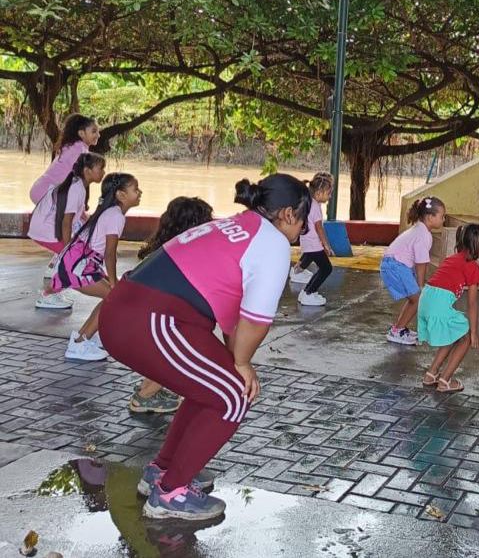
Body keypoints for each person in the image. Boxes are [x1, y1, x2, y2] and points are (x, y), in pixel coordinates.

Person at [98, 174, 310, 520]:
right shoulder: (272, 242)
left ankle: (163, 471)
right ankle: (171, 493)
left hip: (136, 312)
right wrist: (242, 364)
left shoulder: (240, 226)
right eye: (303, 220)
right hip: (152, 318)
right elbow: (255, 321)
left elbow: (231, 321)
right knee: (232, 394)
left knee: (214, 388)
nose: (303, 230)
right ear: (288, 214)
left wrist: (235, 362)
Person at [128, 196, 214, 415]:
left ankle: (149, 388)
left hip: (139, 319)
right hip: (151, 324)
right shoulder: (187, 255)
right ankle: (145, 396)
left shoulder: (161, 248)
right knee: (188, 345)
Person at [48, 173, 141, 361]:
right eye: (135, 189)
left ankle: (82, 339)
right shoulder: (116, 216)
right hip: (78, 267)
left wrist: (111, 281)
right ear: (121, 195)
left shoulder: (112, 213)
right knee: (114, 298)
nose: (140, 192)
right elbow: (109, 253)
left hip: (79, 263)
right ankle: (80, 343)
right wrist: (113, 282)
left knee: (111, 298)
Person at [28, 152, 106, 309]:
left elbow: (77, 216)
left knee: (76, 256)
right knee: (73, 261)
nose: (103, 172)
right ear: (87, 171)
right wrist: (67, 248)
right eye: (100, 168)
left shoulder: (78, 185)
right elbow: (66, 221)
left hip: (47, 227)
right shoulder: (76, 188)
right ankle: (47, 295)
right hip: (46, 230)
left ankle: (54, 276)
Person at [418, 223, 479, 393]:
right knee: (464, 338)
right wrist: (473, 332)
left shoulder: (452, 258)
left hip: (425, 299)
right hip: (437, 305)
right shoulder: (473, 268)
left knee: (451, 333)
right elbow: (472, 303)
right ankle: (445, 381)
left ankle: (431, 375)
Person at [380, 196, 446, 345]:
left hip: (393, 264)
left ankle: (399, 329)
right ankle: (397, 331)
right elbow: (421, 263)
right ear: (430, 217)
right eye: (442, 216)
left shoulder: (420, 229)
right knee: (417, 298)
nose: (443, 220)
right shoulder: (423, 235)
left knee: (414, 298)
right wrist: (420, 285)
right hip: (395, 265)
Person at [29, 114, 100, 205]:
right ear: (81, 133)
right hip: (47, 194)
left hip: (40, 189)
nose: (98, 135)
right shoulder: (80, 150)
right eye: (94, 132)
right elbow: (81, 181)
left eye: (98, 132)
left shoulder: (72, 146)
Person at [291, 172, 336, 306]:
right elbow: (319, 228)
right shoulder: (315, 207)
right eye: (328, 193)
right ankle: (309, 292)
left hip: (307, 242)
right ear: (319, 193)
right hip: (314, 243)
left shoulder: (308, 202)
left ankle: (306, 291)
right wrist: (326, 245)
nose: (330, 196)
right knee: (326, 268)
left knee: (314, 260)